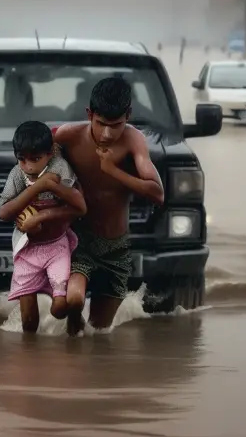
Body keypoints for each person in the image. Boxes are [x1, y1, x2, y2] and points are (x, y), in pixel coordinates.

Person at [51, 77, 165, 336]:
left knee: (100, 332)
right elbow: (35, 151)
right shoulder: (70, 135)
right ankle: (69, 339)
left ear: (128, 116)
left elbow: (157, 193)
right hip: (81, 240)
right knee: (74, 300)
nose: (106, 134)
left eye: (115, 125)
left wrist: (112, 170)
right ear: (89, 114)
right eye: (101, 123)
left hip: (116, 247)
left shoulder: (134, 141)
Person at [0, 121, 87, 333]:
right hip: (27, 249)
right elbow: (4, 213)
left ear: (49, 154)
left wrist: (42, 216)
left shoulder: (60, 169)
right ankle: (30, 361)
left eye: (35, 159)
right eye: (21, 159)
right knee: (28, 321)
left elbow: (80, 207)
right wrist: (39, 186)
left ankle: (74, 328)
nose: (28, 166)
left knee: (59, 308)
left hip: (56, 246)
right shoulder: (17, 175)